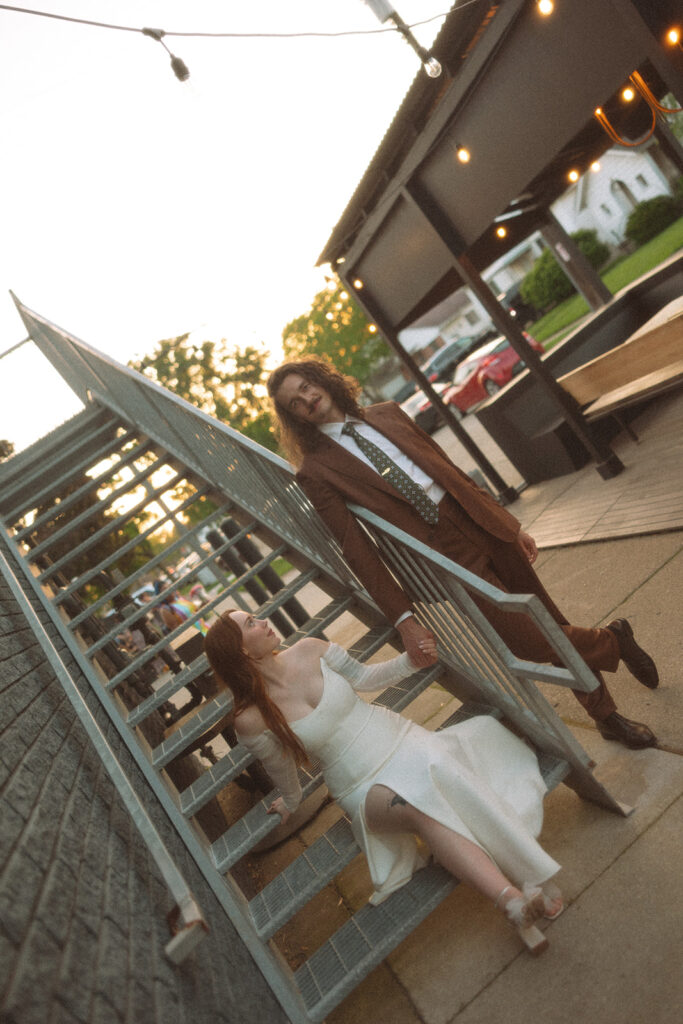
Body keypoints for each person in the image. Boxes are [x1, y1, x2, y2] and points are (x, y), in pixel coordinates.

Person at [267, 358, 659, 750]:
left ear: (322, 380)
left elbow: (449, 469)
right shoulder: (316, 472)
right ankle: (614, 640)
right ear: (294, 418)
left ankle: (606, 717)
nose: (306, 400)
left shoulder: (387, 414)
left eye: (305, 387)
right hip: (443, 552)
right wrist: (402, 617)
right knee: (528, 639)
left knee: (552, 622)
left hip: (476, 519)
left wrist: (507, 521)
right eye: (294, 403)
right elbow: (357, 549)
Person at [204, 610, 564, 954]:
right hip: (360, 786)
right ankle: (512, 902)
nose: (264, 620)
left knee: (445, 769)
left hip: (397, 738)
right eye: (251, 622)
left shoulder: (310, 648)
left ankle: (528, 873)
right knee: (415, 803)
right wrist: (291, 801)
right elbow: (282, 767)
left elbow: (365, 677)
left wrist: (410, 661)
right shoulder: (249, 719)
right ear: (241, 650)